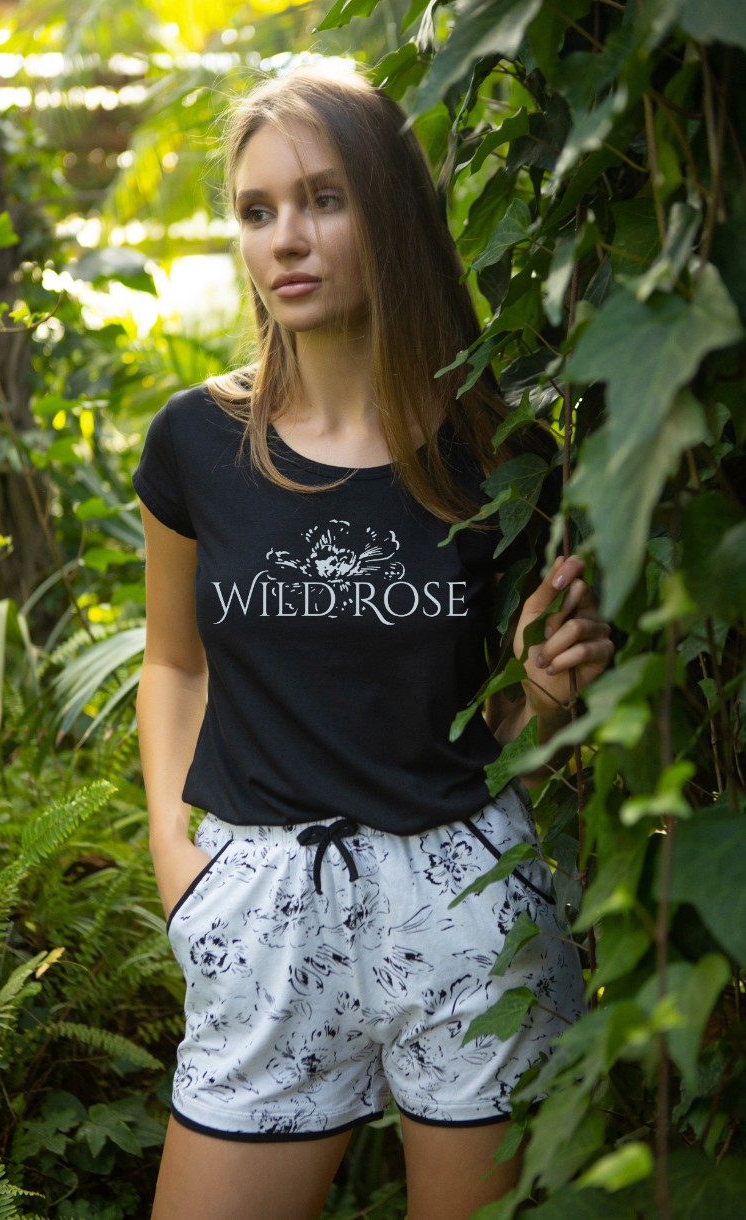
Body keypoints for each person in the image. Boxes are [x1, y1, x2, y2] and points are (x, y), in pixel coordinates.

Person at [132, 65, 614, 1220]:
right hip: (260, 903)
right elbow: (174, 661)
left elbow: (513, 722)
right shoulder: (198, 440)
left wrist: (547, 694)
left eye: (323, 199)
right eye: (258, 210)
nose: (286, 239)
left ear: (390, 209)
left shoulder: (498, 449)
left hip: (468, 902)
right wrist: (175, 855)